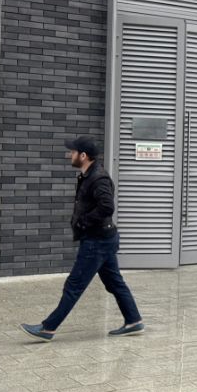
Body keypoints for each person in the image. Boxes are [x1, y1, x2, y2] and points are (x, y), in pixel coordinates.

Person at [22, 136, 144, 341]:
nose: (70, 155)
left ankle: (47, 328)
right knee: (115, 283)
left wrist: (84, 222)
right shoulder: (89, 175)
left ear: (83, 155)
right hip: (104, 239)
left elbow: (107, 206)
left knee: (74, 285)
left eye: (73, 152)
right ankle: (134, 321)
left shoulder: (98, 178)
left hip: (97, 241)